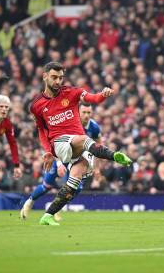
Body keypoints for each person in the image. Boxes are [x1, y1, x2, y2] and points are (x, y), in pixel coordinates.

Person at [30, 61, 132, 226]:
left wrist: (103, 94)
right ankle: (114, 156)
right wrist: (48, 151)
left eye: (60, 78)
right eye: (54, 77)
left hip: (76, 145)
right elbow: (42, 131)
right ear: (45, 76)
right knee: (84, 140)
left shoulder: (72, 92)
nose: (58, 81)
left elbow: (93, 98)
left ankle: (47, 216)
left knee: (75, 182)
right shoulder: (36, 106)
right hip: (60, 144)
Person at [20, 103, 101, 220]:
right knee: (47, 185)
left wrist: (97, 168)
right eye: (84, 112)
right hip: (60, 156)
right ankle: (29, 203)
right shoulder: (69, 123)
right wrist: (58, 164)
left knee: (76, 188)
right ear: (78, 112)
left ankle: (57, 207)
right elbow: (56, 142)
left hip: (76, 160)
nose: (87, 115)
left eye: (89, 112)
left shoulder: (94, 127)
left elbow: (98, 147)